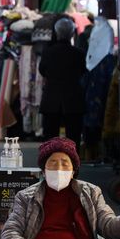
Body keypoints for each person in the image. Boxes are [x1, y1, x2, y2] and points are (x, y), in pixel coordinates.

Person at [39, 17, 87, 147]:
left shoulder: (48, 52)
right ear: (72, 33)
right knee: (74, 137)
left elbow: (42, 70)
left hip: (51, 98)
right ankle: (73, 164)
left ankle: (49, 164)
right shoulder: (79, 54)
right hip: (73, 99)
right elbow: (83, 71)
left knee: (50, 137)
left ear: (56, 32)